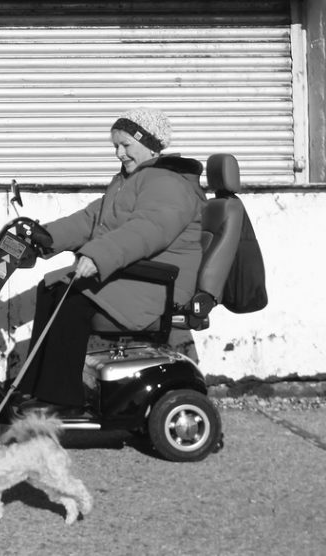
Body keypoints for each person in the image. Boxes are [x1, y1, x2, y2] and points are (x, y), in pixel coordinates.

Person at [17, 107, 206, 417]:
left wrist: (97, 256)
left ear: (151, 144)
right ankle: (38, 388)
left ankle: (63, 400)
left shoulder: (169, 184)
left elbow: (147, 230)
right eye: (115, 146)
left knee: (72, 301)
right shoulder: (129, 180)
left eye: (126, 145)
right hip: (137, 276)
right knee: (52, 289)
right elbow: (92, 219)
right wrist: (45, 238)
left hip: (159, 282)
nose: (119, 153)